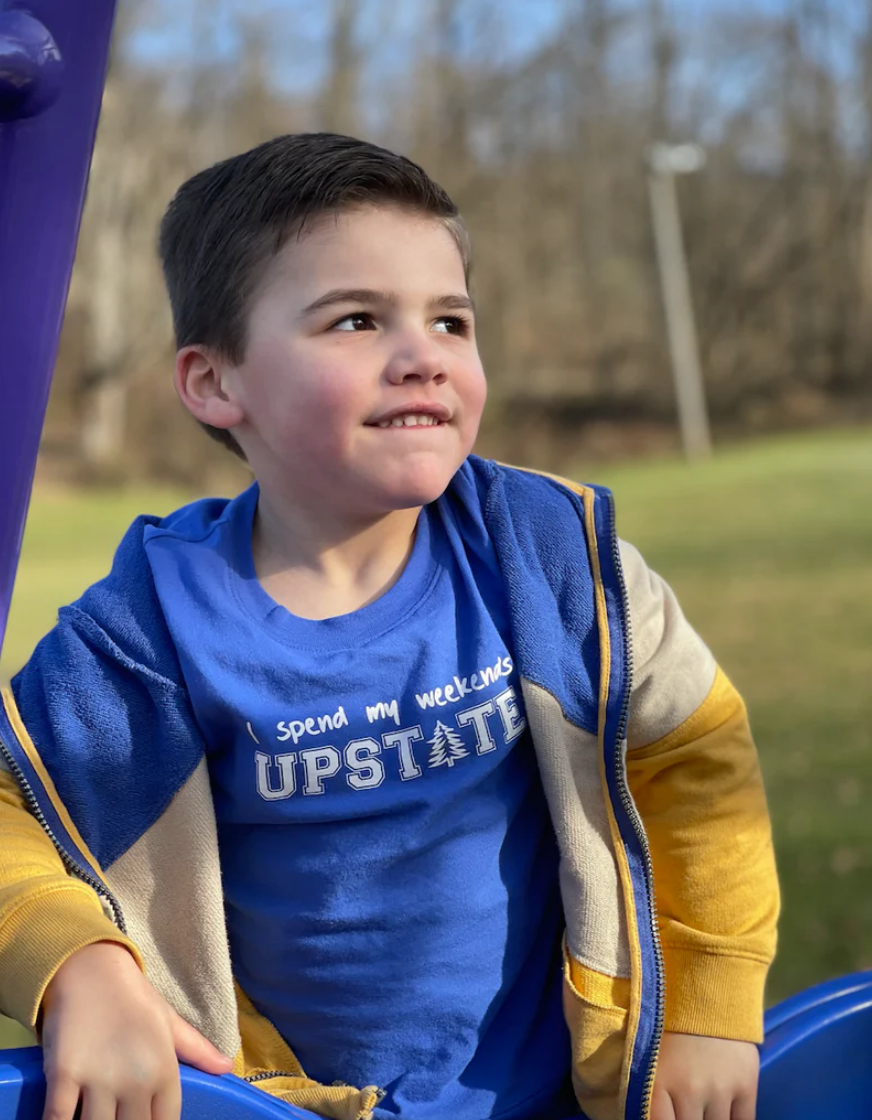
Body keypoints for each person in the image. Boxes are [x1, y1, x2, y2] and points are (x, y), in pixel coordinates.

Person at [0, 133, 778, 1120]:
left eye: (451, 320)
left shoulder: (547, 559)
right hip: (279, 1102)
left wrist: (709, 1004)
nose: (422, 357)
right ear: (213, 383)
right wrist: (80, 966)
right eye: (357, 320)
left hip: (569, 1098)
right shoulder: (148, 635)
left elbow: (696, 757)